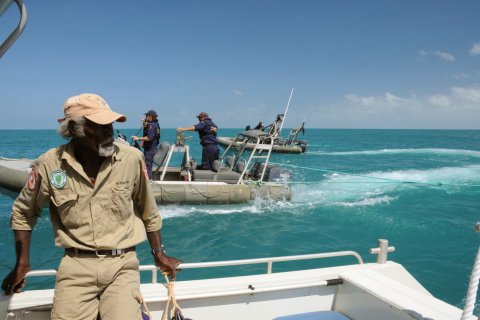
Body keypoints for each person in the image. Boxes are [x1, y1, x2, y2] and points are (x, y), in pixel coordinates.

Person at [1, 93, 181, 320]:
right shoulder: (50, 164)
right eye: (100, 125)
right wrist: (22, 263)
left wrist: (159, 253)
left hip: (122, 265)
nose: (109, 132)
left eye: (110, 124)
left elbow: (148, 210)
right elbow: (23, 213)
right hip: (75, 266)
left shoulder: (130, 159)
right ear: (75, 129)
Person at [132, 109, 161, 180]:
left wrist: (138, 138)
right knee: (148, 166)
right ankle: (148, 181)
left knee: (148, 167)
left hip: (150, 150)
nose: (146, 117)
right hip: (153, 148)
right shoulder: (156, 125)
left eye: (147, 116)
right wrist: (145, 124)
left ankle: (148, 183)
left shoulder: (151, 126)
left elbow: (149, 137)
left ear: (150, 116)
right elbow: (150, 132)